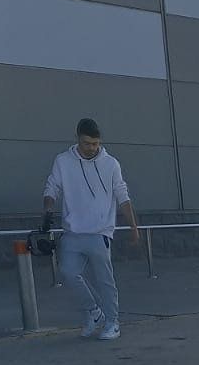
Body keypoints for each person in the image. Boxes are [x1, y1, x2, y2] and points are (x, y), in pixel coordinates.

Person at [43, 118, 139, 340]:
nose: (92, 148)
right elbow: (52, 187)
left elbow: (122, 195)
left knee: (105, 279)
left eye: (96, 144)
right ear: (77, 138)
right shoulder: (63, 161)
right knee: (68, 273)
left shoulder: (111, 164)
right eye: (87, 143)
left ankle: (112, 322)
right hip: (72, 232)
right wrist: (48, 209)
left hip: (100, 232)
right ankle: (94, 312)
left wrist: (133, 227)